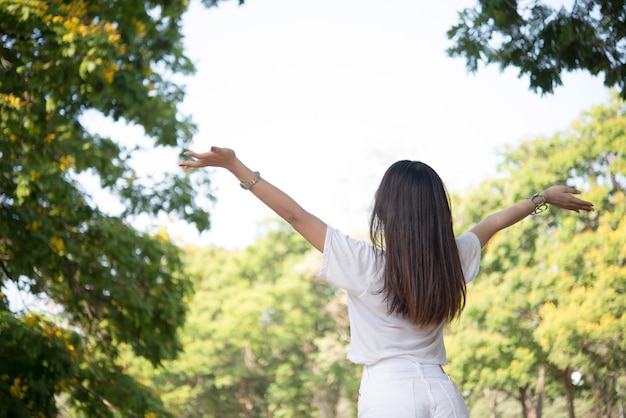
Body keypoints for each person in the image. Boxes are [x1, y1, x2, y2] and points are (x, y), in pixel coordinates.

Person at [179, 146, 594, 418]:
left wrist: (236, 166)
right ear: (437, 212)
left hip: (389, 396)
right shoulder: (453, 259)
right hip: (444, 396)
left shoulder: (365, 264)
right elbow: (493, 223)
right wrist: (542, 197)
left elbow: (296, 216)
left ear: (386, 212)